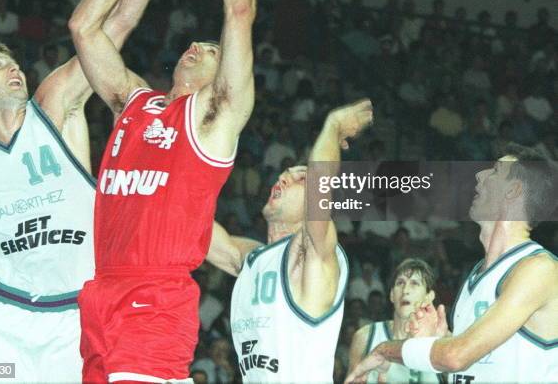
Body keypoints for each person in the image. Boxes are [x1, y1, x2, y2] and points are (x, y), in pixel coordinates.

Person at [0, 0, 168, 382]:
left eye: (13, 63)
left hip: (73, 317)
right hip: (5, 322)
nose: (13, 68)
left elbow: (116, 26)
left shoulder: (52, 107)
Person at [68, 0, 256, 383]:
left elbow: (239, 13)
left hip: (157, 298)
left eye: (212, 50)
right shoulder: (134, 102)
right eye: (195, 43)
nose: (198, 45)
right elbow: (85, 28)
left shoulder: (215, 118)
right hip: (101, 293)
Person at [349, 143, 558, 383]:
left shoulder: (539, 269)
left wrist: (385, 350)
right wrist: (439, 339)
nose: (480, 175)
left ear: (512, 191)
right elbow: (467, 366)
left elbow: (456, 356)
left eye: (495, 171)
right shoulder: (477, 275)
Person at [207, 99, 374, 383]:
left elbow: (321, 192)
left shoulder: (312, 253)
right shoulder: (253, 258)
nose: (282, 180)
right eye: (281, 176)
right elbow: (193, 229)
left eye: (297, 179)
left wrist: (333, 127)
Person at [346, 258, 442, 383]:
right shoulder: (366, 336)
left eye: (414, 283)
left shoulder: (444, 341)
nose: (405, 290)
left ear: (429, 296)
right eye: (400, 283)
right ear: (392, 295)